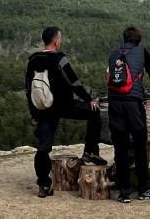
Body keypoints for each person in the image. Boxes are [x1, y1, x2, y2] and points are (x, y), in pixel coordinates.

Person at [24, 26, 107, 198]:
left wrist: (34, 113)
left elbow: (29, 89)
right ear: (56, 41)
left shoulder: (33, 59)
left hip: (44, 109)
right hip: (66, 105)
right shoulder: (60, 59)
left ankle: (43, 184)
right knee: (93, 113)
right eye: (60, 39)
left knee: (43, 147)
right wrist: (88, 100)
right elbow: (74, 82)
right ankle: (90, 153)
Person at [106, 26, 150, 203]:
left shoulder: (113, 54)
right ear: (138, 40)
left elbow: (108, 77)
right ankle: (144, 187)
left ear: (124, 39)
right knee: (139, 145)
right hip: (133, 103)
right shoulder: (142, 51)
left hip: (114, 103)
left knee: (120, 147)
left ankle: (124, 192)